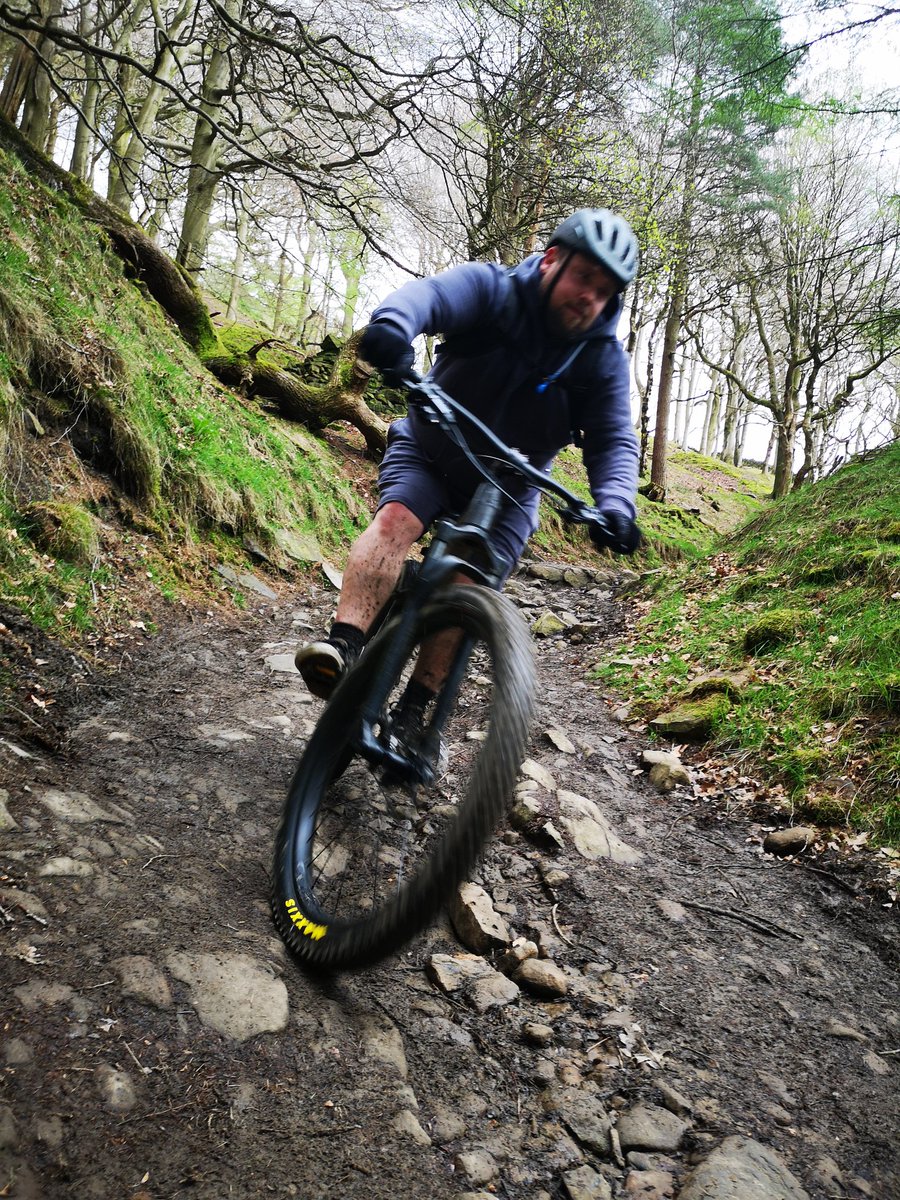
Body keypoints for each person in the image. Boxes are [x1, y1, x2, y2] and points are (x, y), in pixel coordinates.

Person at [295, 207, 642, 733]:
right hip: (432, 451)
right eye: (583, 276)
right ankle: (342, 647)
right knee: (395, 523)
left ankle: (415, 712)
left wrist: (616, 503)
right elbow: (429, 297)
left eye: (605, 290)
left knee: (468, 586)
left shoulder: (603, 361)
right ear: (551, 260)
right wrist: (393, 327)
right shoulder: (493, 290)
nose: (590, 296)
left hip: (510, 491)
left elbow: (614, 438)